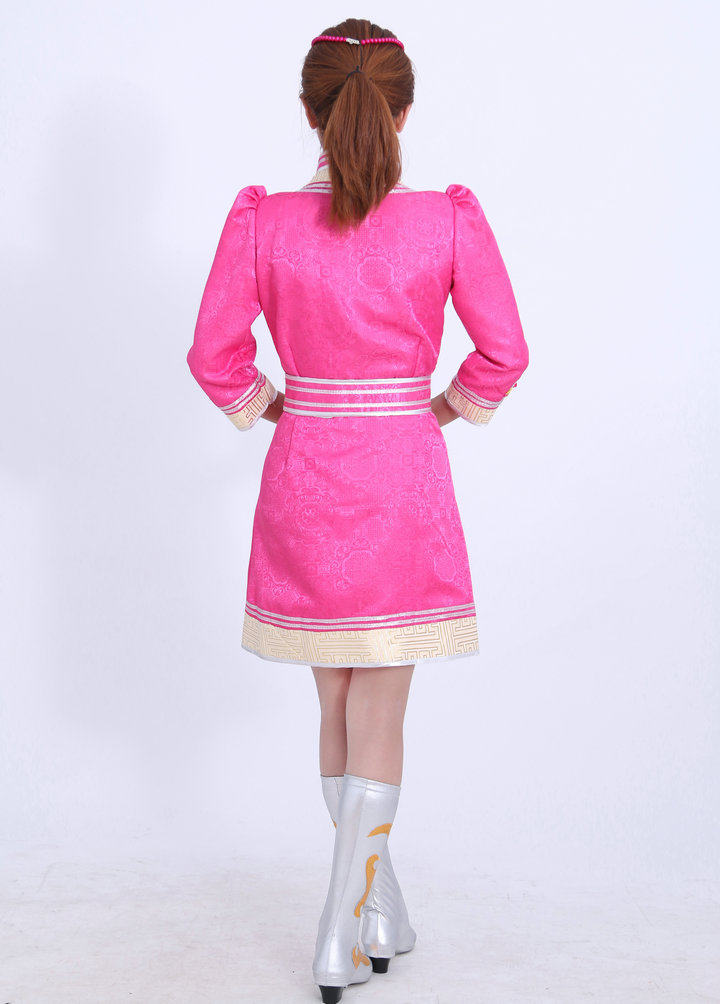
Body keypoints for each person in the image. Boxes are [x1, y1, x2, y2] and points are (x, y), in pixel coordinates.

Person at [186, 18, 529, 1003]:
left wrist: (279, 404)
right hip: (403, 472)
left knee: (336, 700)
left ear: (309, 111)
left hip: (305, 470)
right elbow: (506, 350)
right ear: (404, 112)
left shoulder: (263, 222)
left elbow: (213, 354)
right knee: (380, 702)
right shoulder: (446, 221)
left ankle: (378, 914)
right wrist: (441, 407)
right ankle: (340, 933)